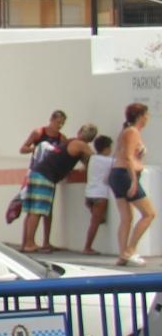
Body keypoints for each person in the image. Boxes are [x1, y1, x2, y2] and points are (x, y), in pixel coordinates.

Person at [19, 122, 95, 254]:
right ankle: (30, 244)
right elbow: (94, 159)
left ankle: (27, 243)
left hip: (38, 173)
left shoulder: (70, 141)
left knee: (34, 211)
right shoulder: (81, 145)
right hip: (45, 176)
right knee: (37, 210)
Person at [112, 103, 154, 266]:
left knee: (127, 217)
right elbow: (128, 157)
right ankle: (130, 250)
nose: (148, 117)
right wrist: (134, 181)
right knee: (149, 213)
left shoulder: (128, 132)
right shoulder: (132, 132)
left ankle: (123, 255)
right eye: (146, 114)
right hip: (125, 175)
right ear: (140, 116)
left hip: (120, 174)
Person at [84, 133, 115, 254]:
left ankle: (88, 246)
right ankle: (87, 247)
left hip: (89, 194)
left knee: (96, 220)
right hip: (100, 194)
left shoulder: (92, 158)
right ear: (106, 148)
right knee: (95, 223)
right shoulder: (108, 161)